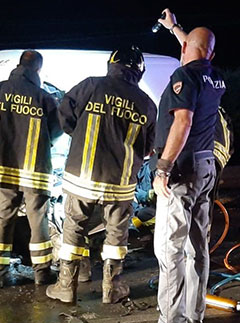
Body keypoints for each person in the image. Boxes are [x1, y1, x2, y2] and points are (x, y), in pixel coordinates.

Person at [141, 9, 227, 323]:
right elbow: (196, 48)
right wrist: (175, 28)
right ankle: (194, 318)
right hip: (206, 168)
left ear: (186, 50)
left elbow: (183, 122)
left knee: (169, 248)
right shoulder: (213, 77)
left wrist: (163, 167)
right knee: (197, 247)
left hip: (182, 170)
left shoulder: (184, 78)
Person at [47, 46, 157, 304]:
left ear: (112, 64)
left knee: (73, 228)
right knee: (116, 235)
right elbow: (149, 149)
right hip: (120, 183)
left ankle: (66, 286)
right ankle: (112, 288)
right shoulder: (147, 104)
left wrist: (81, 137)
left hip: (81, 177)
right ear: (139, 71)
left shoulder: (90, 86)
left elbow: (64, 117)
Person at [0, 50, 63, 288]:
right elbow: (56, 131)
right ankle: (42, 274)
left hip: (2, 168)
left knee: (3, 219)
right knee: (38, 220)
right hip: (35, 170)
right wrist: (44, 144)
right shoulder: (43, 97)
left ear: (18, 65)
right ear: (38, 70)